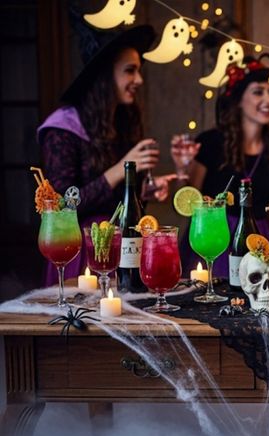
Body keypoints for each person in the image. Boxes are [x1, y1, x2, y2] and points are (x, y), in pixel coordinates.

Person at [37, 23, 174, 285]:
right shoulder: (62, 128)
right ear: (104, 76)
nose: (139, 80)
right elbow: (63, 207)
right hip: (79, 252)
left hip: (123, 247)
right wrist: (122, 167)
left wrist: (142, 191)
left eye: (139, 70)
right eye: (129, 71)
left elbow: (119, 204)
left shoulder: (121, 120)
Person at [177, 54, 269, 277]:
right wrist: (182, 170)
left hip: (260, 241)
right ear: (239, 100)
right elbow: (188, 202)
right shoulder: (210, 143)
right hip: (215, 240)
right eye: (259, 92)